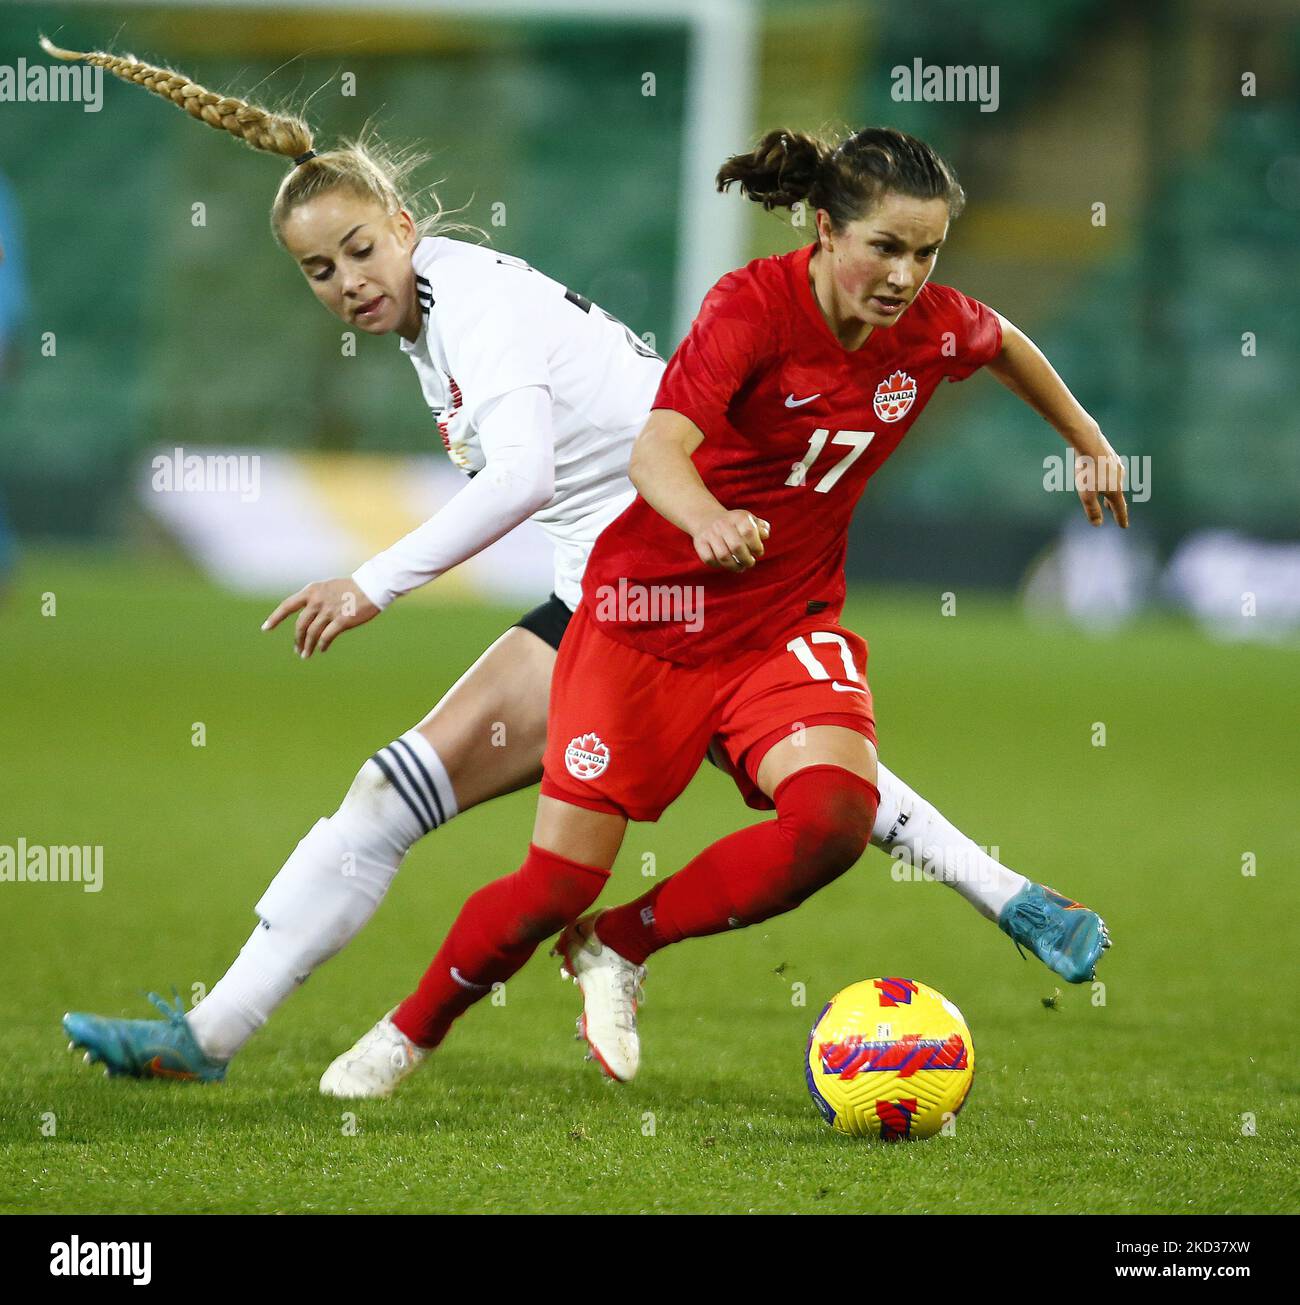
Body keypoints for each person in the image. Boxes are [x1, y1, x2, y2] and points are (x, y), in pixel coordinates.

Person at [48, 37, 1108, 1094]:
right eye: (319, 270)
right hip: (618, 569)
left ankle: (246, 1034)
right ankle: (215, 1035)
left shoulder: (473, 312)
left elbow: (518, 479)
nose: (347, 282)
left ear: (406, 227)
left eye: (362, 252)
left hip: (658, 558)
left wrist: (368, 584)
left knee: (733, 794)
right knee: (430, 801)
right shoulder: (448, 300)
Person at [381, 126, 1124, 1087]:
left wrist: (1087, 436)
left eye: (927, 251)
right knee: (554, 882)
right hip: (649, 611)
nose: (906, 274)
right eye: (885, 248)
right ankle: (405, 1033)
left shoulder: (930, 323)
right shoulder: (751, 309)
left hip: (783, 620)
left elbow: (1003, 340)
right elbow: (655, 455)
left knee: (833, 820)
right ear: (825, 229)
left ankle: (620, 943)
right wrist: (707, 518)